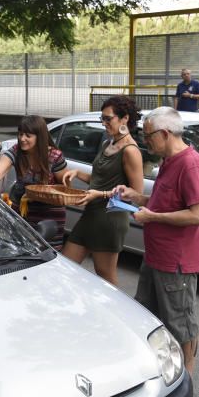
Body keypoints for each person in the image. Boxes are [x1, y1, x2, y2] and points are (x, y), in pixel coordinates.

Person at [112, 106, 199, 375]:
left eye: (148, 136)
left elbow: (198, 215)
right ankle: (158, 371)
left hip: (176, 262)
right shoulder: (168, 161)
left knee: (180, 324)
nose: (145, 141)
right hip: (155, 257)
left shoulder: (190, 165)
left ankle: (186, 378)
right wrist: (136, 197)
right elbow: (165, 202)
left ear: (165, 133)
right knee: (147, 316)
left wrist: (153, 217)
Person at [61, 96, 145, 285]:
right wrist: (78, 173)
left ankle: (118, 315)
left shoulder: (131, 151)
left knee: (106, 278)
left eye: (108, 119)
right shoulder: (108, 143)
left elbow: (135, 194)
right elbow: (100, 179)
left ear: (125, 119)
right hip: (91, 215)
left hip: (110, 220)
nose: (104, 123)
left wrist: (101, 195)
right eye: (102, 118)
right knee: (65, 267)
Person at [0, 115, 71, 248]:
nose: (22, 139)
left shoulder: (54, 156)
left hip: (50, 218)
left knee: (47, 256)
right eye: (20, 134)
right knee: (22, 252)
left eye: (28, 135)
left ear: (39, 136)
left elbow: (66, 189)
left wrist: (42, 193)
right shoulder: (16, 151)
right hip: (22, 214)